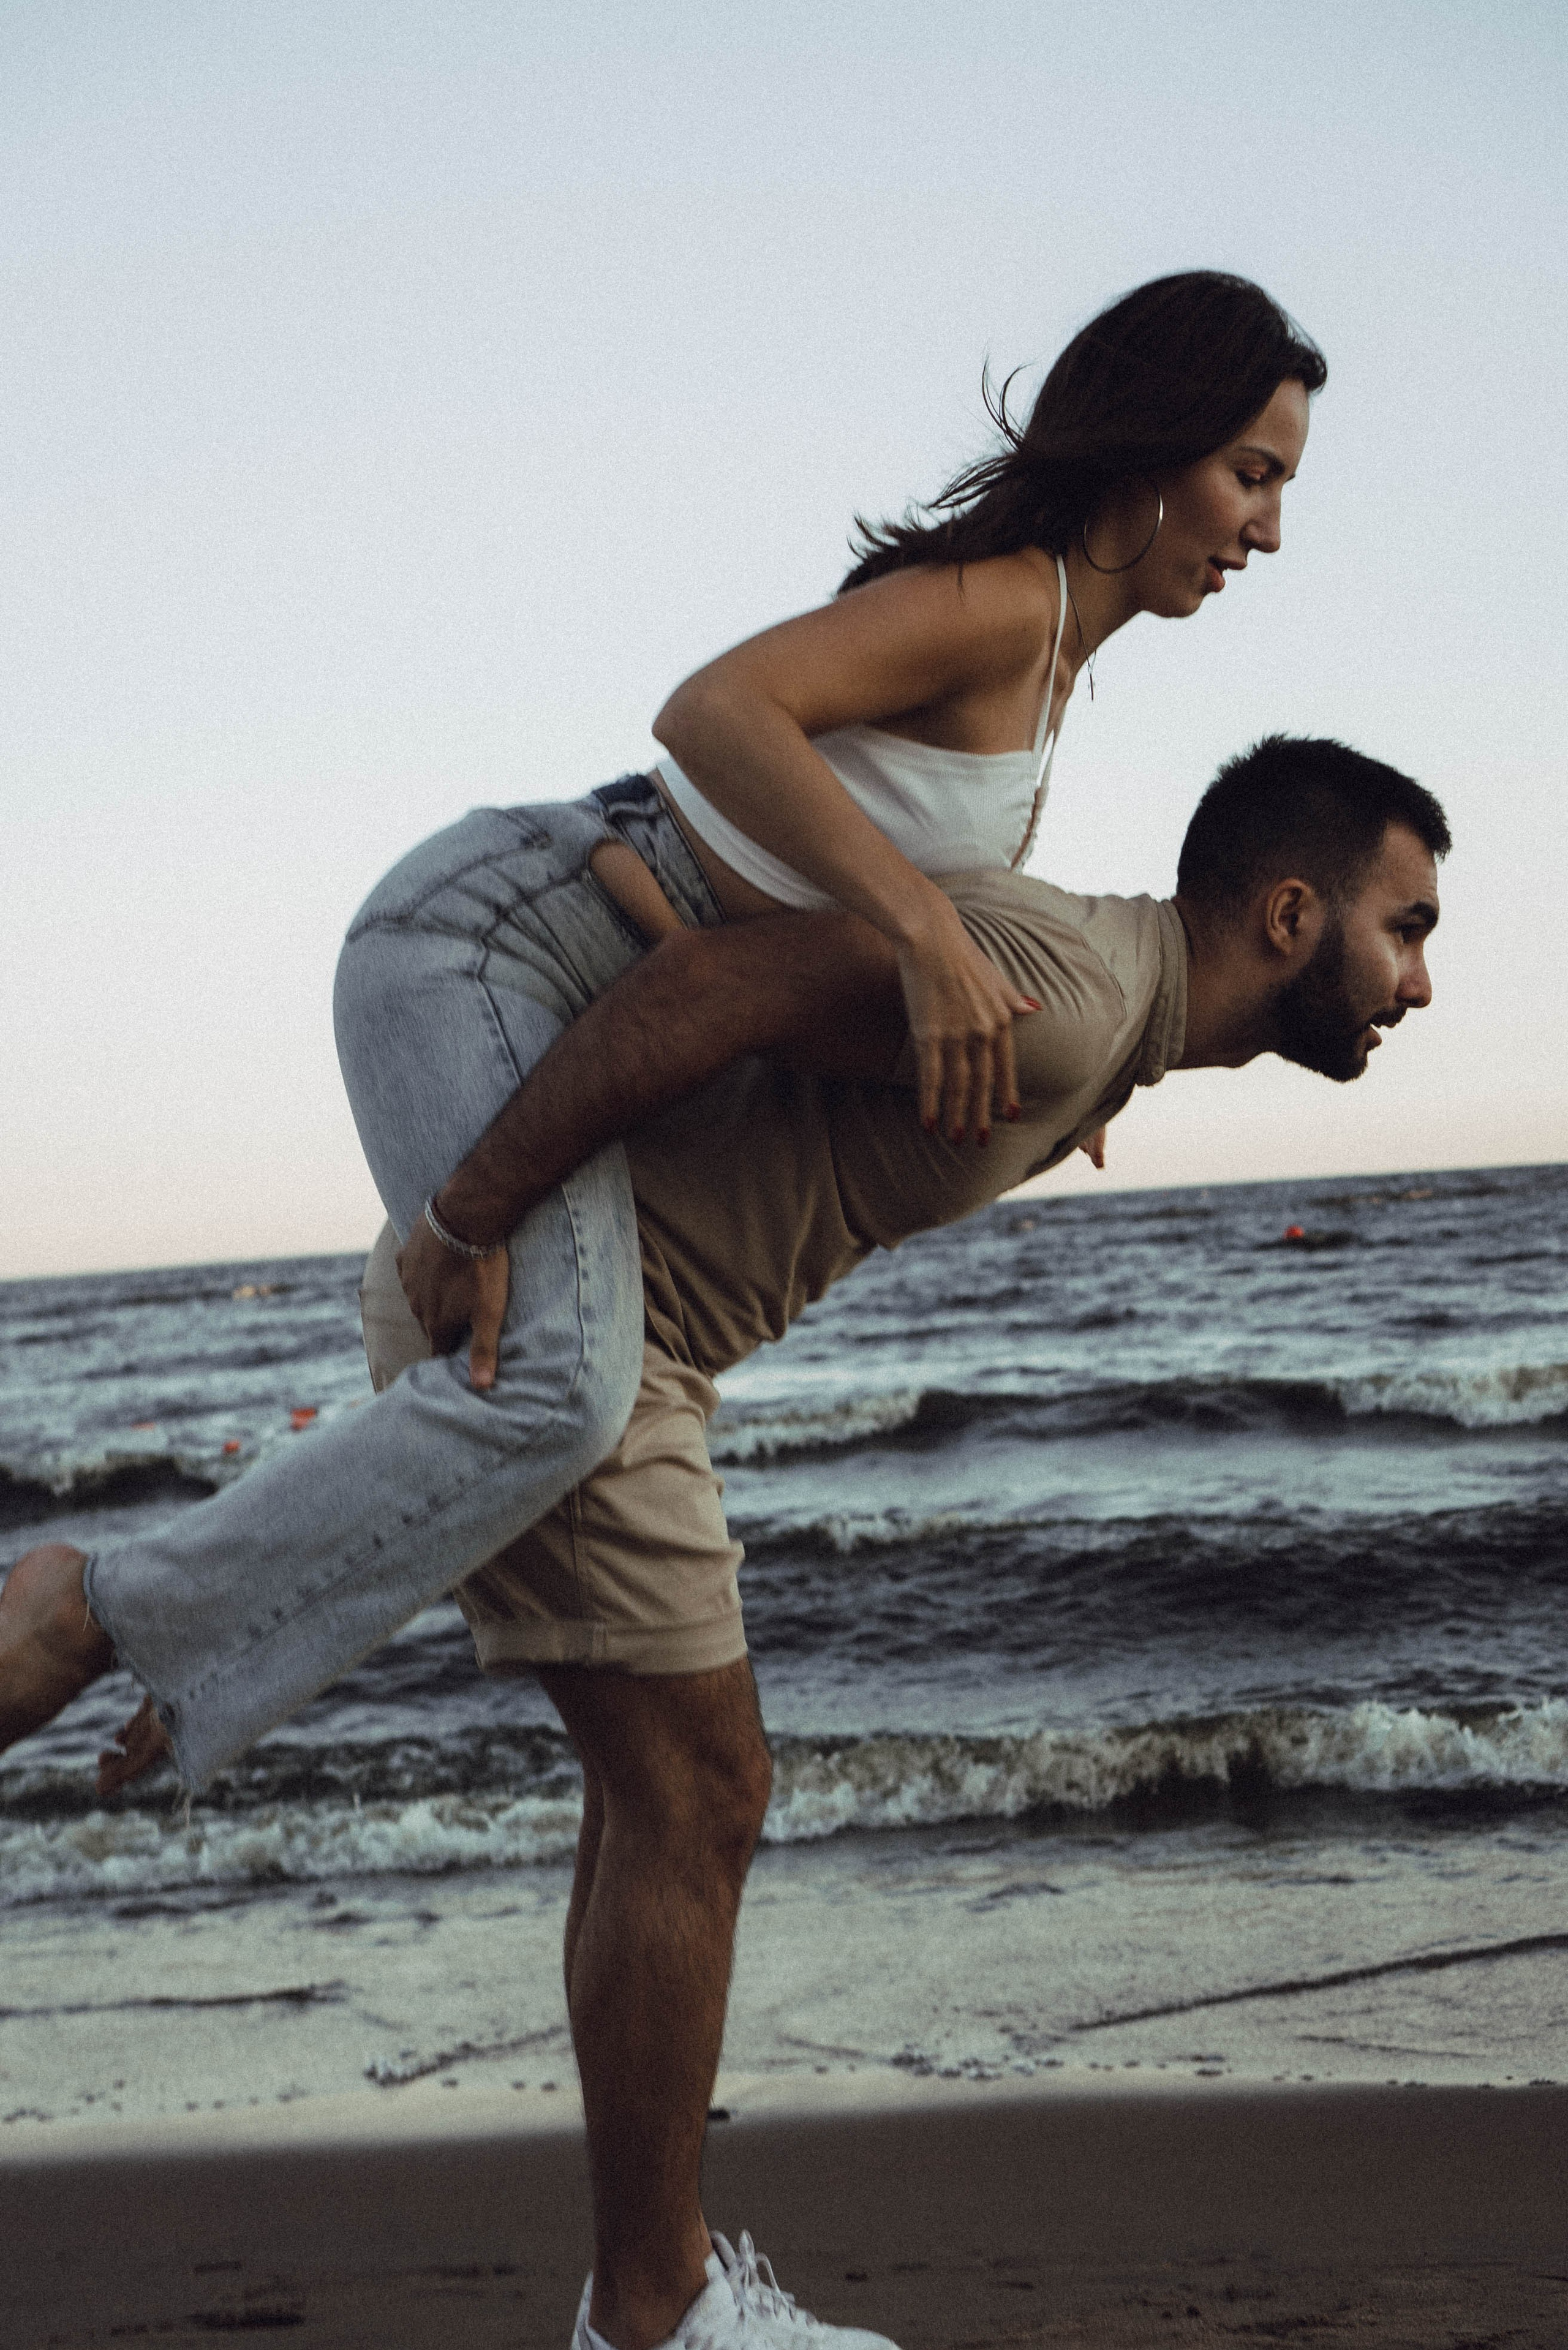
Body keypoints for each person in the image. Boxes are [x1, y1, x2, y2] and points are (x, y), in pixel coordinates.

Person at [110, 740, 1450, 2350]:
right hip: (578, 1334)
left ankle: (645, 2301)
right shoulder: (1076, 999)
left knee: (665, 1794)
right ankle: (654, 2308)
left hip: (603, 1333)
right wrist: (471, 1216)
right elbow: (713, 990)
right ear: (1291, 916)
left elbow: (752, 965)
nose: (1419, 982)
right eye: (1406, 929)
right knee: (701, 1791)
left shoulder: (1096, 1020)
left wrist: (1075, 1098)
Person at [0, 270, 1324, 1794]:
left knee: (542, 1392)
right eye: (1251, 475)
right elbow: (708, 714)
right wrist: (922, 930)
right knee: (567, 1383)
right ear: (1154, 445)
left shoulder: (1047, 672)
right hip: (481, 938)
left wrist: (1046, 1068)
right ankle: (92, 1610)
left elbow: (785, 931)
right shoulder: (1005, 602)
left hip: (574, 960)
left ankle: (193, 1642)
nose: (1266, 530)